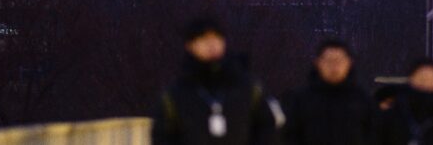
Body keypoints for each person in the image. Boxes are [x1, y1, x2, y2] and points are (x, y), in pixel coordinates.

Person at [152, 18, 281, 145]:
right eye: (204, 39)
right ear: (190, 45)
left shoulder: (248, 87)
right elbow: (162, 136)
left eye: (217, 38)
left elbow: (267, 127)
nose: (212, 44)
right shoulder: (175, 94)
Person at [283, 39, 376, 145]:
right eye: (329, 61)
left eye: (339, 61)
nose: (334, 66)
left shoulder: (363, 99)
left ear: (349, 63)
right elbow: (288, 136)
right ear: (318, 62)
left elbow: (374, 135)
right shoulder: (299, 99)